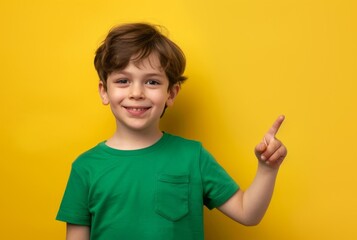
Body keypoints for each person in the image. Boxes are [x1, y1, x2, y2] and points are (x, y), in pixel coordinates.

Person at [56, 22, 287, 240]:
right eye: (123, 81)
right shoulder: (85, 168)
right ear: (104, 91)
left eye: (152, 82)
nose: (137, 92)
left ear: (172, 94)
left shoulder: (192, 157)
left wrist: (267, 169)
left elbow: (248, 213)